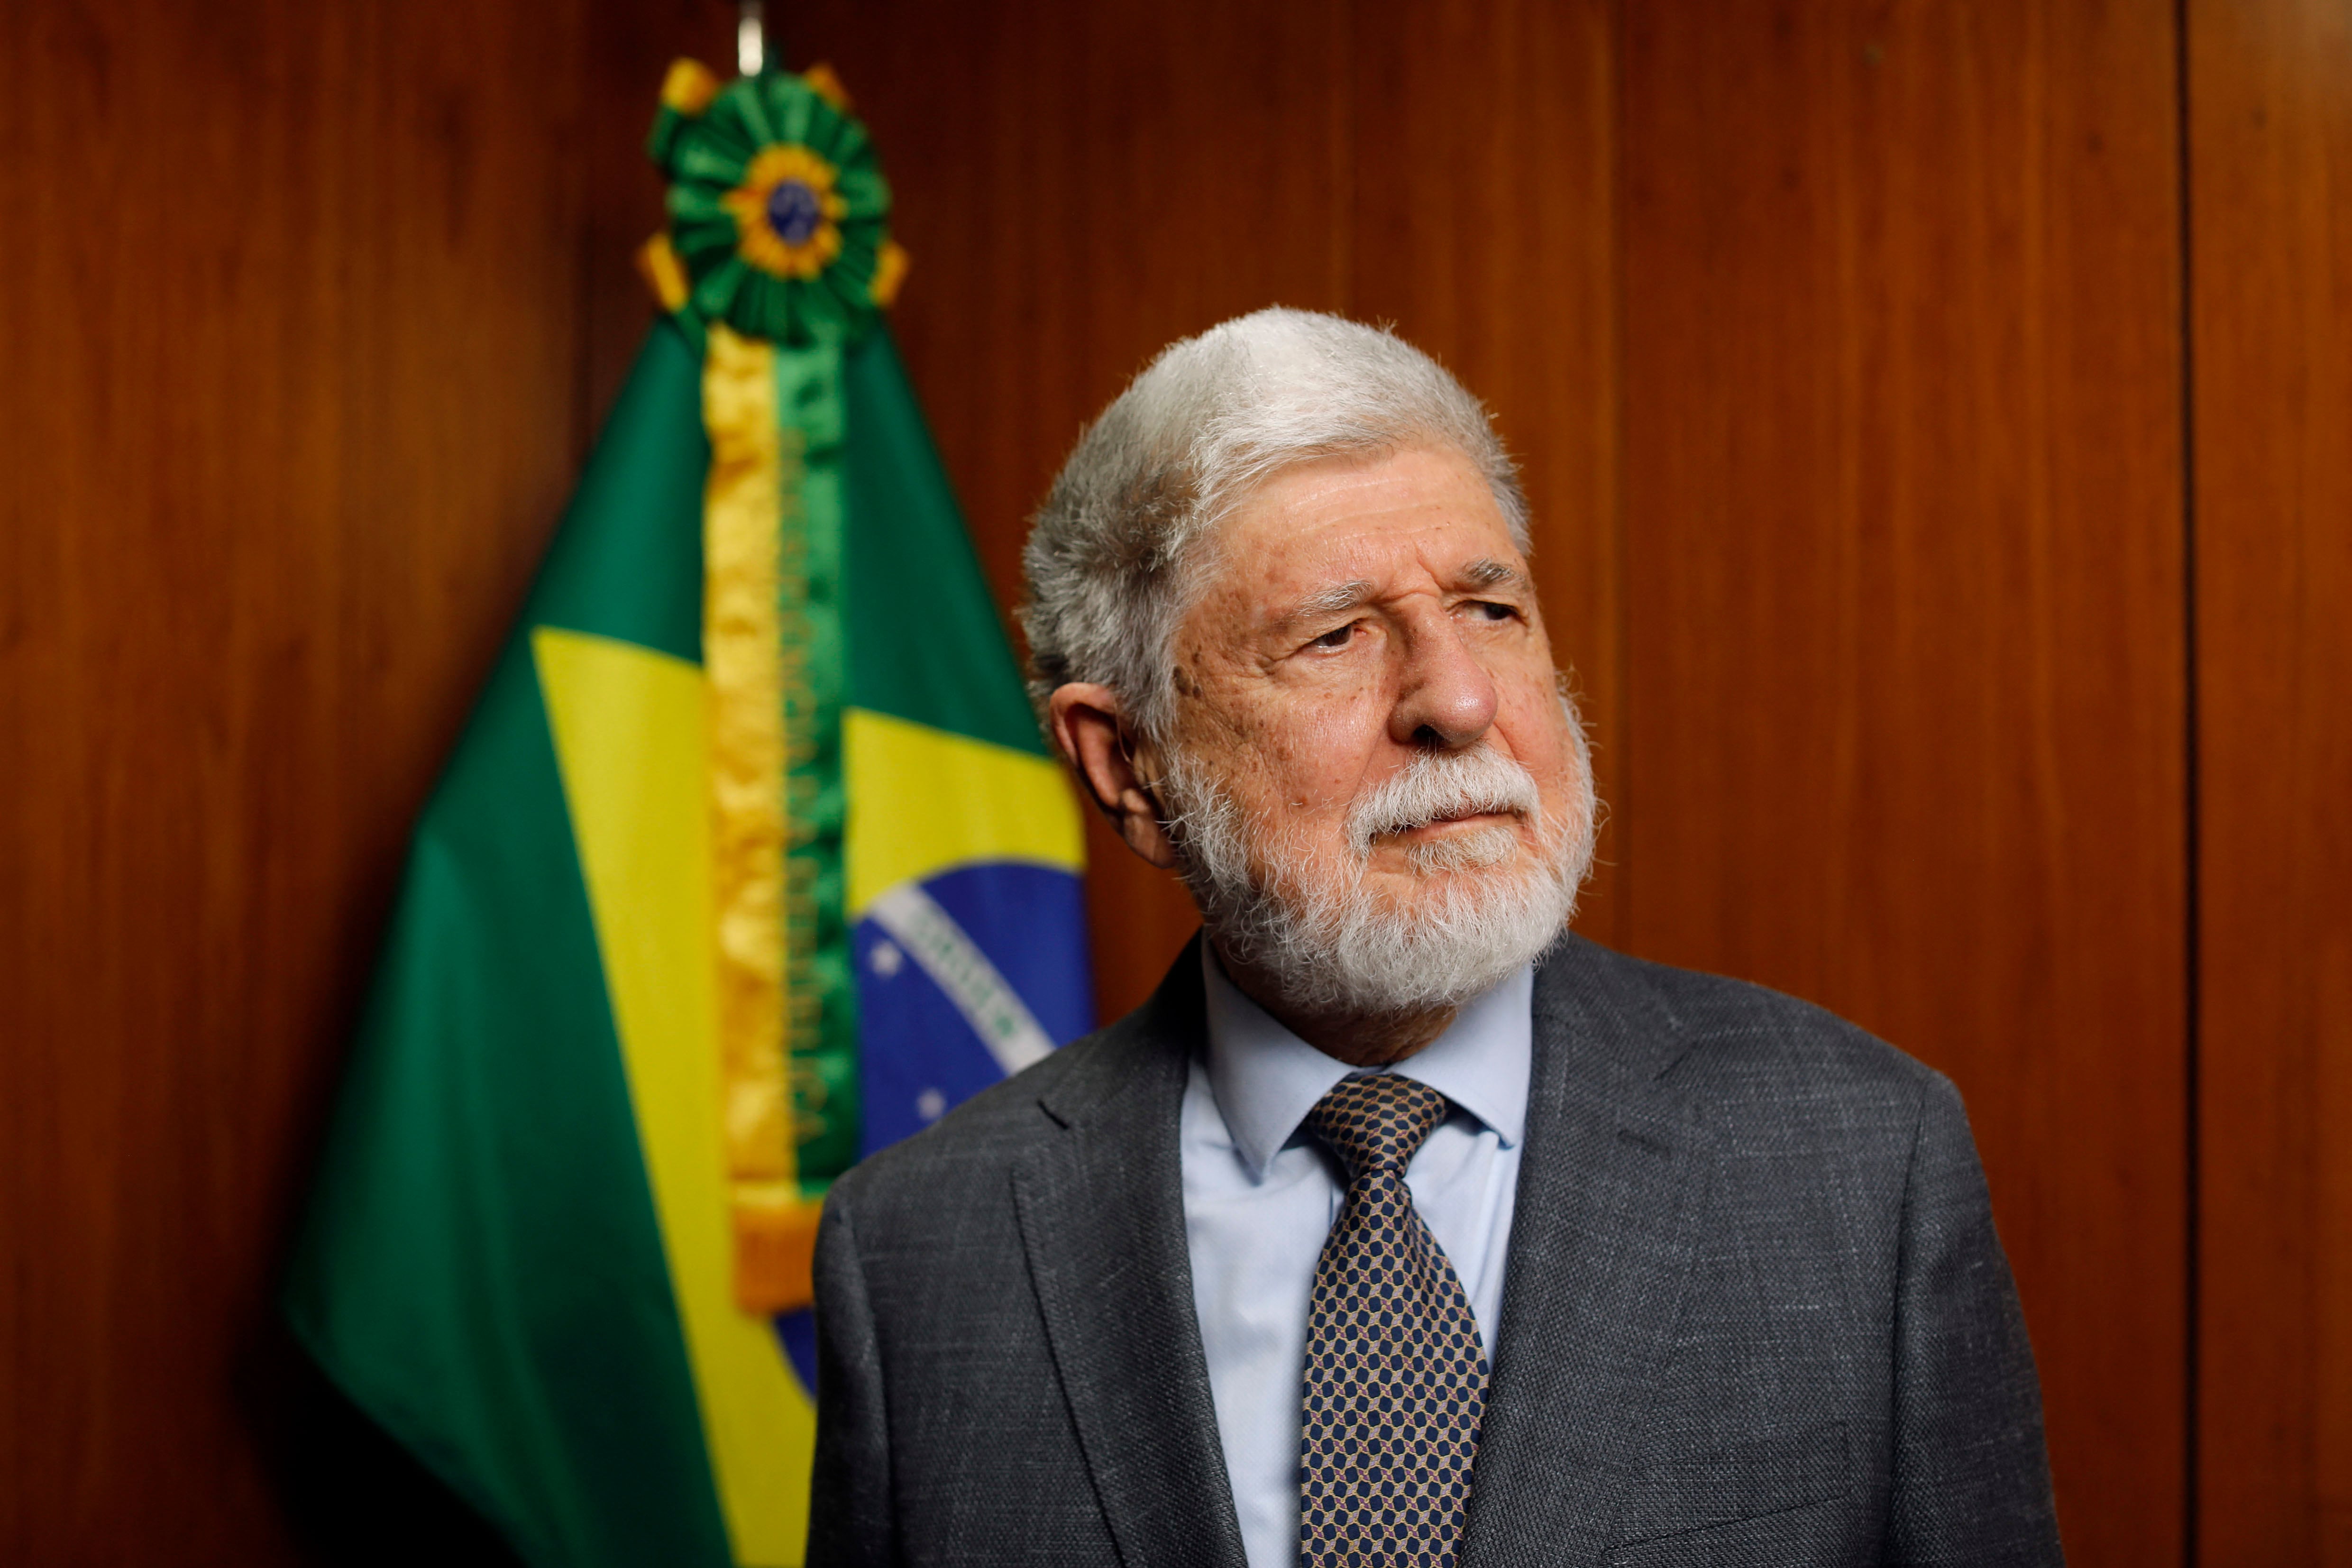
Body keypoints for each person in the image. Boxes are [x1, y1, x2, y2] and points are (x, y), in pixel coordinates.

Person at [806, 309, 2062, 1567]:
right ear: (1127, 763)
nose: (1458, 701)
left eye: (1490, 608)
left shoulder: (1860, 1163)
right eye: (1336, 634)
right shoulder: (919, 1254)